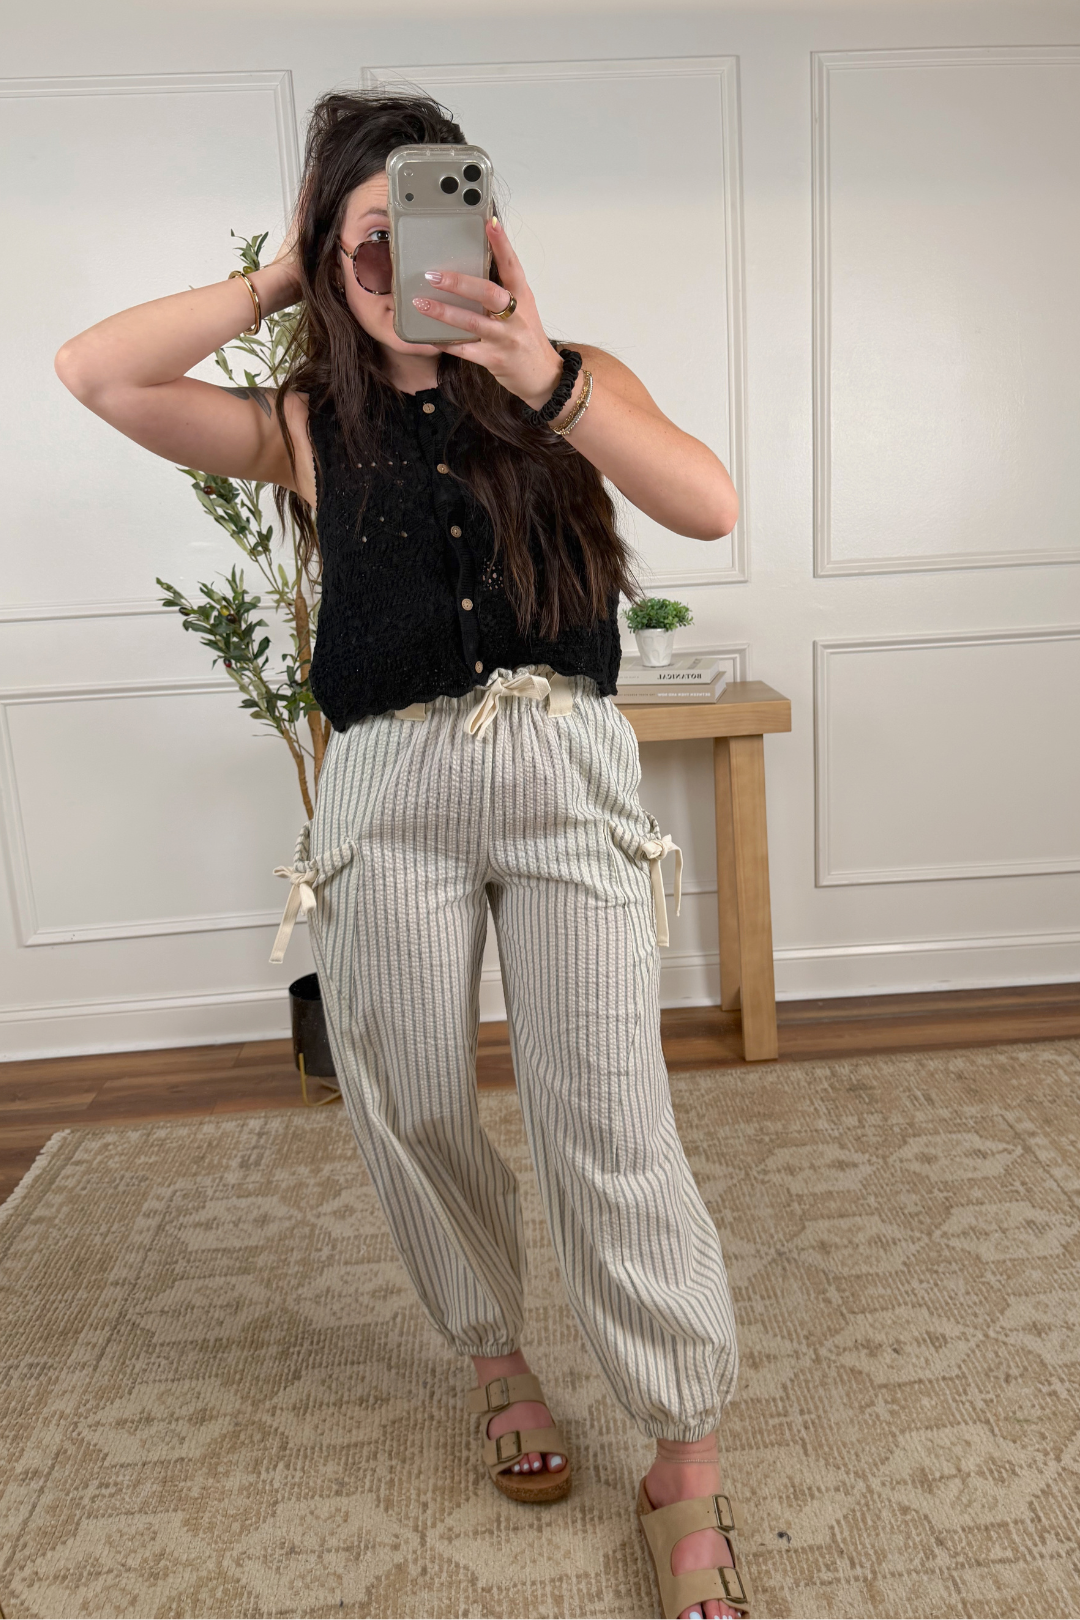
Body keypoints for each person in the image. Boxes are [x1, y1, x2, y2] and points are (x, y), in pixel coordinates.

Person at [55, 88, 748, 1620]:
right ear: (329, 252)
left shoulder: (571, 379)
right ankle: (498, 1363)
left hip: (565, 772)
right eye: (365, 238)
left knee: (608, 1115)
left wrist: (535, 365)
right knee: (412, 1094)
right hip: (386, 795)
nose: (397, 263)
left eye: (426, 224)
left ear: (484, 233)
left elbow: (707, 502)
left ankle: (684, 1459)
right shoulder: (308, 425)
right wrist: (277, 276)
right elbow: (95, 372)